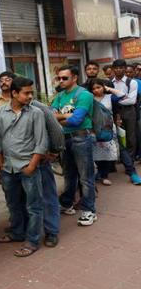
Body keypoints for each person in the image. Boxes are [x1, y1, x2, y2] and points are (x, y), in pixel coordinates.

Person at [0, 77, 48, 257]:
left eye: (31, 92)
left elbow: (41, 142)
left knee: (34, 206)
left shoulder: (35, 113)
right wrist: (1, 165)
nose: (30, 96)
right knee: (13, 203)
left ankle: (32, 241)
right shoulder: (0, 112)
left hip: (28, 166)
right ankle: (17, 233)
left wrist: (32, 165)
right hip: (8, 168)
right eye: (26, 93)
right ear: (14, 93)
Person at [51, 65, 97, 226]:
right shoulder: (60, 95)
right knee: (69, 175)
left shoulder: (84, 95)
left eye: (65, 78)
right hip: (64, 139)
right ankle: (67, 203)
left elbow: (76, 120)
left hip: (81, 138)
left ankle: (89, 210)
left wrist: (59, 116)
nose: (61, 81)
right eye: (59, 78)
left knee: (85, 176)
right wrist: (65, 115)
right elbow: (50, 116)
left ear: (75, 77)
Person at [30, 97, 65, 248]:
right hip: (20, 162)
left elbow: (56, 129)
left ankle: (51, 231)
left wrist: (55, 151)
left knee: (47, 195)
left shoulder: (38, 108)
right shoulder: (3, 108)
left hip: (41, 159)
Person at [89, 79, 125, 186]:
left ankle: (104, 175)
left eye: (98, 87)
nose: (96, 90)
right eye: (93, 88)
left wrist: (108, 89)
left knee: (108, 153)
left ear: (103, 87)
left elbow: (122, 95)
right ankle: (100, 172)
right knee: (96, 153)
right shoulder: (89, 99)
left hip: (108, 129)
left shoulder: (110, 97)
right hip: (94, 129)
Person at [111, 59, 141, 184]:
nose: (119, 70)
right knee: (117, 136)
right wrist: (121, 98)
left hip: (129, 112)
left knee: (130, 137)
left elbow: (131, 101)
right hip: (114, 112)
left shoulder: (131, 82)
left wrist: (115, 100)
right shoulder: (110, 82)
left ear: (125, 69)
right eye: (116, 68)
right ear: (113, 69)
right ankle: (124, 160)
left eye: (121, 67)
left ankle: (130, 162)